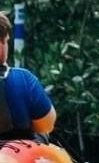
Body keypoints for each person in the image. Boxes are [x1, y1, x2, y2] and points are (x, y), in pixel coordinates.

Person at [0, 11, 57, 141]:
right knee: (41, 136)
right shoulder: (23, 79)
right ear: (1, 43)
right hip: (14, 155)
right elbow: (47, 125)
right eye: (7, 41)